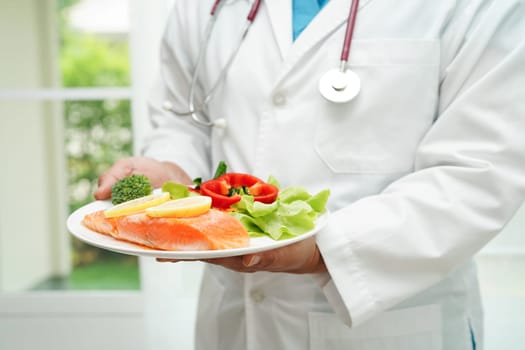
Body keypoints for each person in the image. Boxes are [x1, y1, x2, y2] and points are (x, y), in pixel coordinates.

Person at [94, 0, 525, 349]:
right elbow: (183, 117)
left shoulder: (481, 7)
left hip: (388, 324)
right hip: (234, 319)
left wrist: (324, 250)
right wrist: (171, 171)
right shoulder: (202, 8)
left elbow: (476, 172)